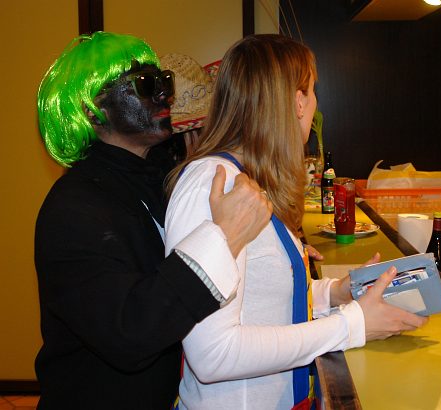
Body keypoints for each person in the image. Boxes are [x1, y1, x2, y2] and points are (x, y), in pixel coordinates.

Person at [164, 34, 426, 410]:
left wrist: (336, 294)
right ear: (298, 101)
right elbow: (212, 355)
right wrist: (351, 325)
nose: (315, 102)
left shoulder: (246, 177)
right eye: (312, 90)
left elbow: (257, 298)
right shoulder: (213, 184)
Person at [34, 31, 271, 409]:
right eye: (144, 83)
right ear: (91, 110)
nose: (164, 94)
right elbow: (131, 332)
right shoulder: (73, 209)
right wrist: (222, 236)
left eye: (164, 81)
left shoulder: (160, 179)